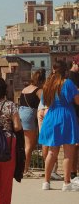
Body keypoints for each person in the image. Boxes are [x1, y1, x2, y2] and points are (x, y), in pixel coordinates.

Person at [39, 61, 79, 191]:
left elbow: (44, 102)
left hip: (51, 117)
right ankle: (66, 183)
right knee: (68, 153)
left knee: (52, 151)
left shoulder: (48, 85)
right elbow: (77, 101)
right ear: (65, 71)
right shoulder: (68, 83)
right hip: (66, 116)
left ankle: (46, 182)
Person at [18, 69, 45, 177]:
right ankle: (25, 169)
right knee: (29, 145)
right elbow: (45, 102)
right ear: (42, 80)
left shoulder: (24, 89)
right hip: (30, 115)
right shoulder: (39, 91)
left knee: (24, 144)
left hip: (20, 113)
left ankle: (22, 167)